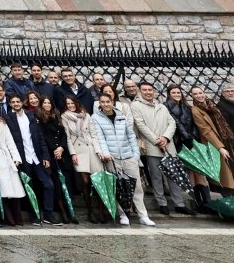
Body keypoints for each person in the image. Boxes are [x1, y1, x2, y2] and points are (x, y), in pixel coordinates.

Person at [90, 92, 154, 227]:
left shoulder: (122, 117)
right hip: (113, 158)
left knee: (136, 187)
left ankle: (143, 215)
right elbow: (100, 137)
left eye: (108, 101)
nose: (106, 104)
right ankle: (123, 214)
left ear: (112, 102)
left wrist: (135, 155)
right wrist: (106, 154)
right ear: (99, 103)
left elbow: (131, 136)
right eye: (103, 102)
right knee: (119, 187)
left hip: (128, 156)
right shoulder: (95, 118)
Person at [130, 82, 192, 216]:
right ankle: (162, 203)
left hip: (168, 146)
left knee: (173, 176)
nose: (148, 92)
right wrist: (157, 140)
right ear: (140, 92)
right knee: (156, 176)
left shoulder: (161, 106)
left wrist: (166, 138)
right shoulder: (136, 106)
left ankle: (179, 203)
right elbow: (141, 125)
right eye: (145, 90)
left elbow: (172, 123)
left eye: (150, 90)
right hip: (152, 146)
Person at [5, 94, 58, 226]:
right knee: (29, 187)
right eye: (13, 102)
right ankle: (34, 215)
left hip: (37, 156)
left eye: (18, 101)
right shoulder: (8, 118)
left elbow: (40, 137)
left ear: (22, 103)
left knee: (48, 185)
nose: (16, 104)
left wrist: (45, 156)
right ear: (10, 104)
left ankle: (48, 215)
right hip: (23, 158)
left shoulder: (31, 116)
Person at [61, 95, 107, 223]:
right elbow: (68, 137)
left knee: (97, 182)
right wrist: (73, 154)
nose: (70, 105)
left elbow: (93, 134)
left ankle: (101, 211)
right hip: (78, 150)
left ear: (76, 103)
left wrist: (98, 151)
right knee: (85, 181)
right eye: (68, 104)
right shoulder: (65, 117)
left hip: (91, 149)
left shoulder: (86, 116)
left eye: (72, 103)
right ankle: (90, 211)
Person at [166, 85, 213, 209]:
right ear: (169, 94)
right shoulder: (167, 106)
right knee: (191, 173)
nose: (177, 94)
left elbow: (194, 122)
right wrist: (187, 137)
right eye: (174, 92)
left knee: (200, 172)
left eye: (178, 92)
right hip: (182, 142)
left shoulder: (187, 106)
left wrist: (194, 136)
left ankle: (206, 202)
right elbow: (176, 122)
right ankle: (198, 202)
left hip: (193, 141)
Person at [189, 86, 234, 195]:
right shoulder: (195, 110)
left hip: (225, 140)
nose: (199, 96)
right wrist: (220, 147)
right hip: (214, 144)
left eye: (200, 93)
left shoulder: (211, 106)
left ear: (204, 93)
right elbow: (205, 130)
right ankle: (229, 199)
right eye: (195, 94)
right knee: (224, 175)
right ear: (192, 96)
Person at [35, 96, 76, 224]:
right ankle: (62, 212)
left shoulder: (57, 116)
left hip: (62, 154)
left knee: (67, 184)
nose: (47, 105)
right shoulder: (39, 119)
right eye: (45, 103)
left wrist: (62, 148)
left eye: (49, 103)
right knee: (57, 185)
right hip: (50, 154)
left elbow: (64, 134)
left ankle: (71, 212)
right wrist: (54, 150)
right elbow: (43, 138)